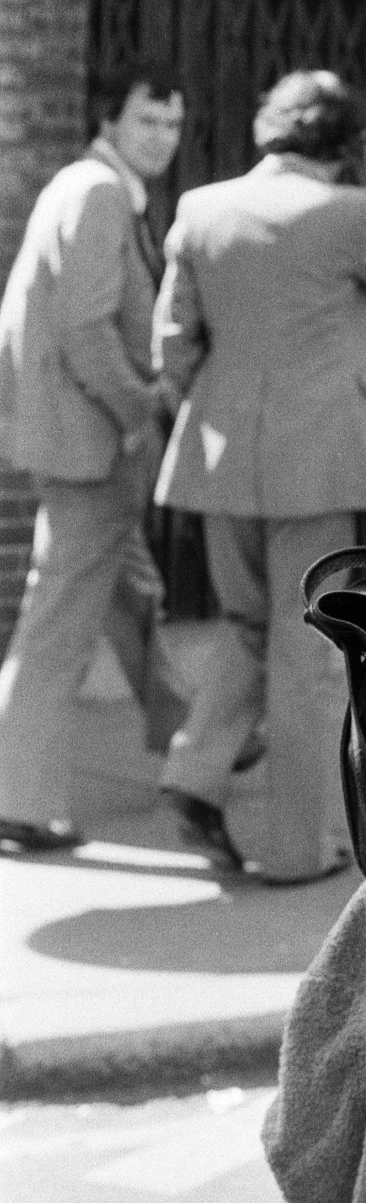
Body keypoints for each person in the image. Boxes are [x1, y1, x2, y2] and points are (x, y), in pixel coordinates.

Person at [152, 70, 366, 884]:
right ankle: (297, 848)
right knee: (308, 648)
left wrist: (202, 414)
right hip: (318, 459)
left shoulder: (200, 209)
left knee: (246, 624)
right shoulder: (350, 214)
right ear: (350, 145)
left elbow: (172, 342)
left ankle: (194, 775)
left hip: (216, 455)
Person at [0, 63, 189, 852]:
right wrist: (139, 410)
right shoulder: (100, 194)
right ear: (109, 122)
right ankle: (18, 798)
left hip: (77, 440)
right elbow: (86, 329)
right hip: (95, 444)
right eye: (148, 121)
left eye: (174, 125)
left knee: (128, 588)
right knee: (59, 621)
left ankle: (193, 734)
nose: (163, 139)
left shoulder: (86, 190)